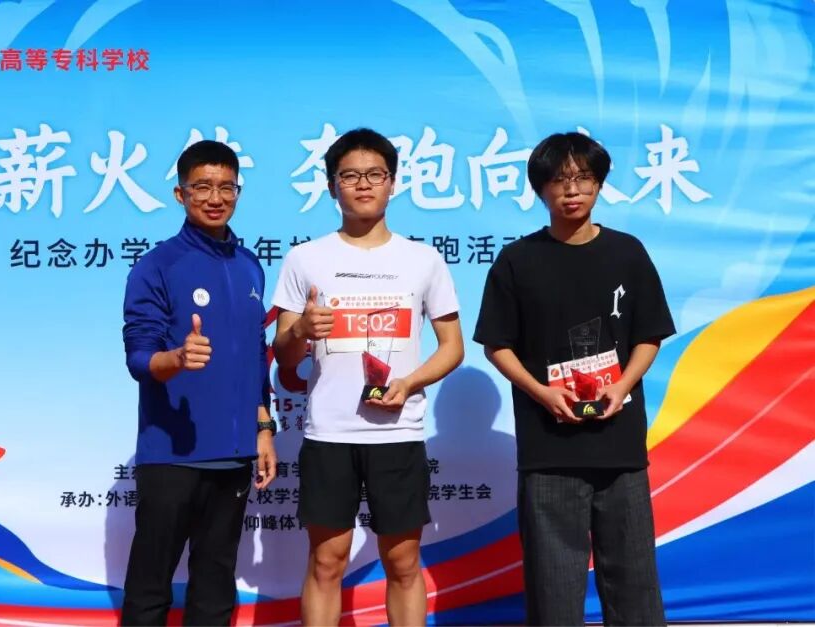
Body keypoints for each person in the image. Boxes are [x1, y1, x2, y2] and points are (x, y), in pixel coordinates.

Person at [473, 132, 675, 625]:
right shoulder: (518, 261)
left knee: (634, 583)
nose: (572, 190)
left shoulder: (627, 252)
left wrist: (622, 385)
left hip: (619, 445)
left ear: (599, 184)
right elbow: (497, 344)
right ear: (540, 188)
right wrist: (542, 393)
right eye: (559, 180)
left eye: (583, 178)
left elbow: (649, 334)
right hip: (549, 450)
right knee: (553, 587)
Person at [271, 128, 464, 626]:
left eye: (374, 174)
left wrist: (410, 383)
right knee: (326, 561)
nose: (363, 184)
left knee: (403, 563)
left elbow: (453, 347)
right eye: (350, 175)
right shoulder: (305, 258)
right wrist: (301, 331)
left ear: (392, 183)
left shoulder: (423, 259)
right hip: (329, 433)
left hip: (398, 433)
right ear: (331, 186)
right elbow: (283, 355)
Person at [120, 140, 277, 626]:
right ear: (180, 193)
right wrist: (176, 358)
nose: (215, 198)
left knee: (215, 585)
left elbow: (256, 353)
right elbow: (138, 356)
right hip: (171, 455)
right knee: (151, 586)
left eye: (226, 187)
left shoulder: (250, 265)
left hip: (233, 455)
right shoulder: (156, 265)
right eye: (202, 187)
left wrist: (263, 427)